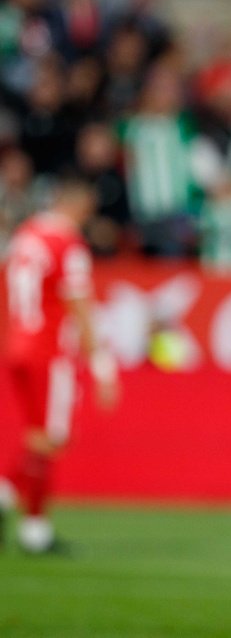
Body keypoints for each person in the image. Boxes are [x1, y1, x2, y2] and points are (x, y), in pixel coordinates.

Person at [0, 173, 120, 553]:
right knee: (50, 438)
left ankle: (23, 515)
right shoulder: (67, 242)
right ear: (79, 203)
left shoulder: (27, 234)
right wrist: (100, 363)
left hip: (18, 342)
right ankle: (32, 529)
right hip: (48, 350)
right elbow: (79, 304)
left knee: (41, 436)